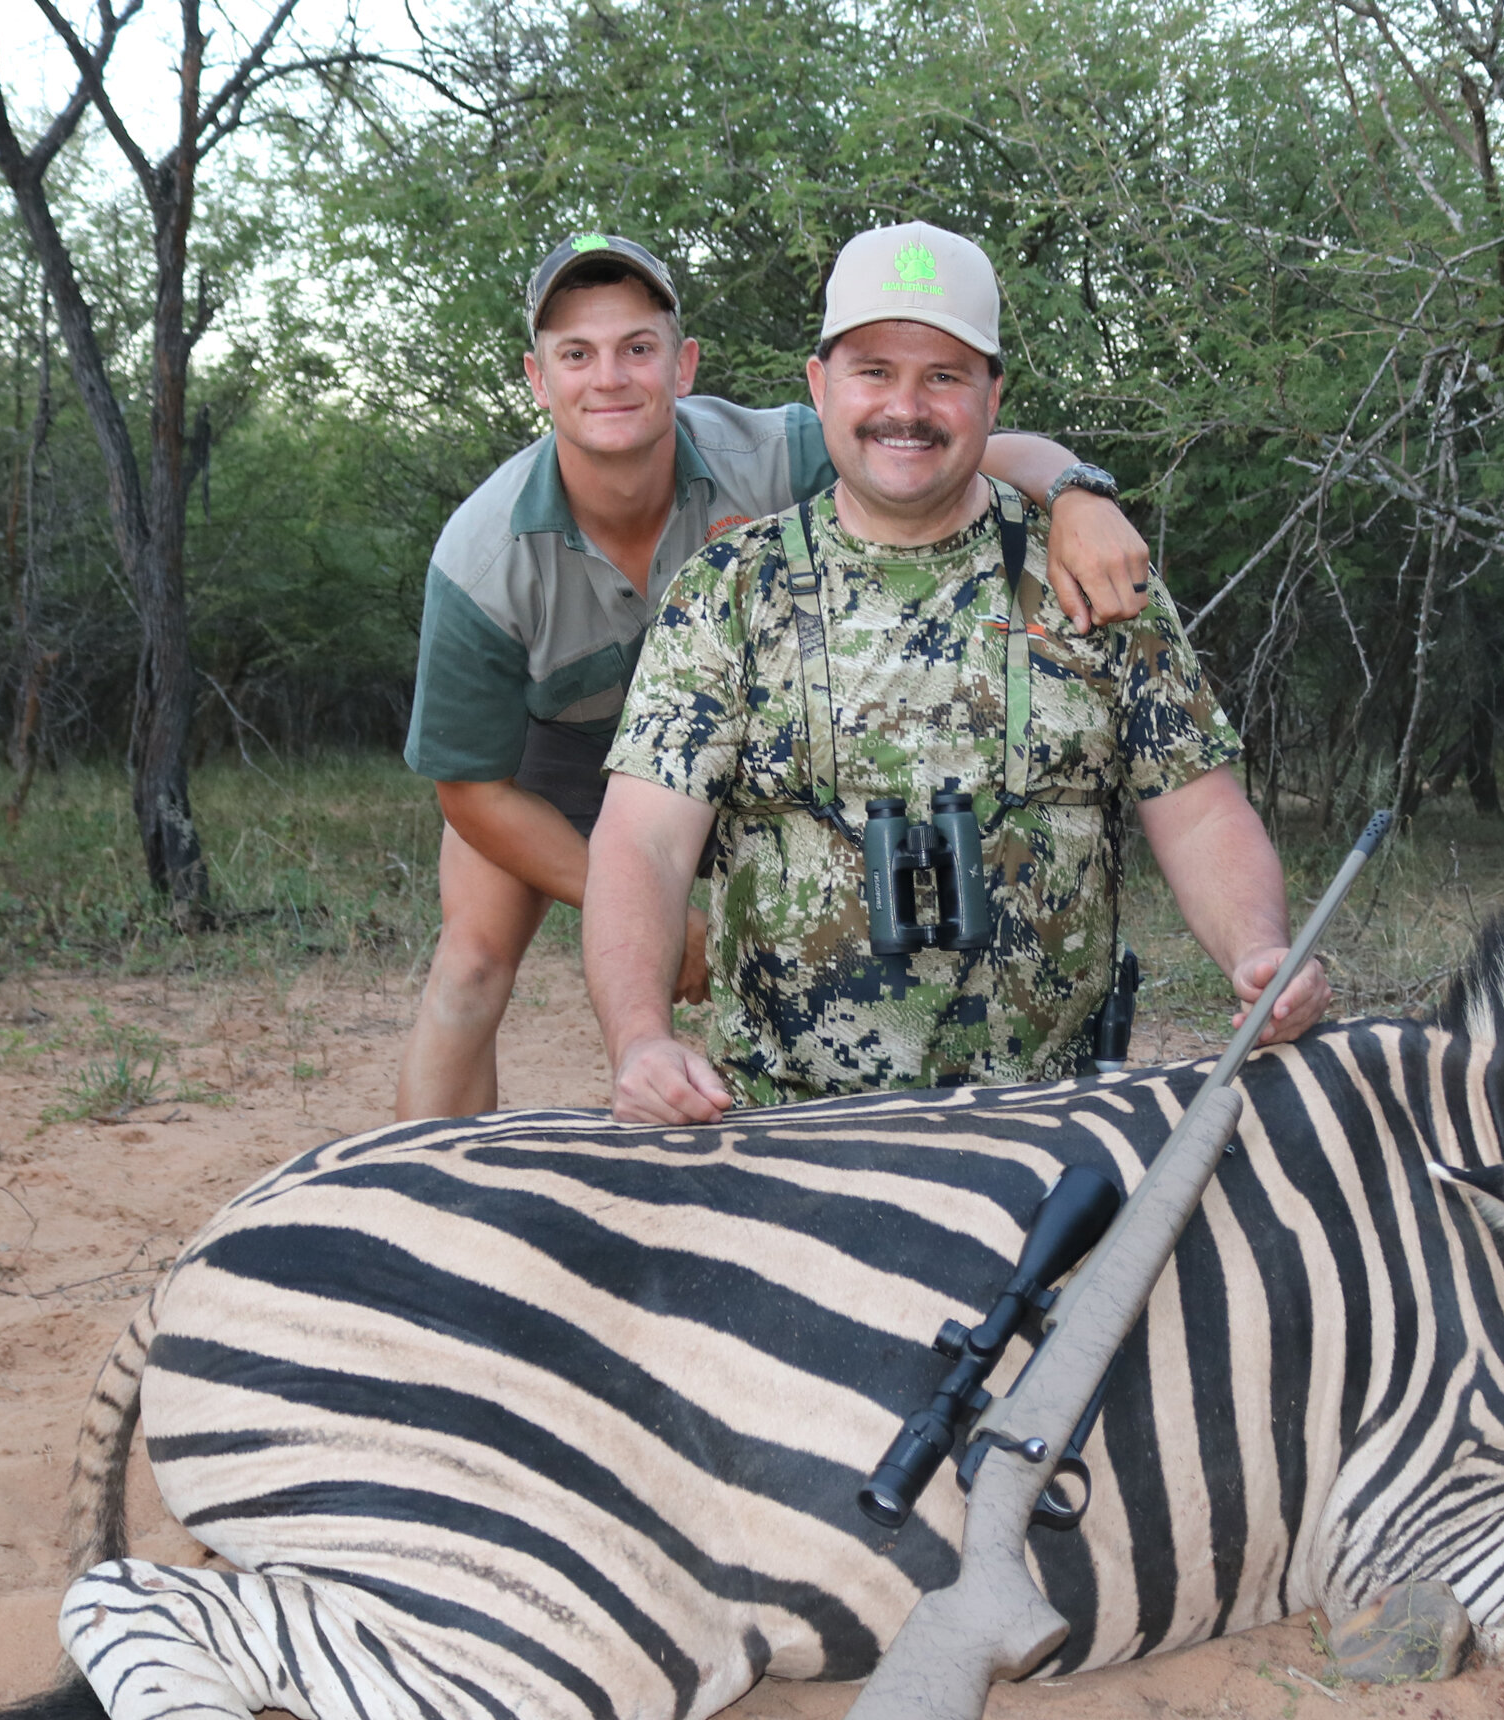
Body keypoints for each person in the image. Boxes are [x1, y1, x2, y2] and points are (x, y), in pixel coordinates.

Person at [394, 231, 1159, 1117]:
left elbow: (969, 443)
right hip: (550, 758)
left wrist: (1079, 494)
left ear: (683, 366)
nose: (609, 378)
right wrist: (675, 924)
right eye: (577, 355)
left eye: (636, 349)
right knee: (471, 966)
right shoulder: (481, 558)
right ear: (538, 379)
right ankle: (432, 1196)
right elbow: (471, 793)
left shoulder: (777, 450)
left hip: (734, 735)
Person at [586, 221, 1330, 1125]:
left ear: (992, 394)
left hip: (1052, 1132)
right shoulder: (730, 590)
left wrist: (1261, 953)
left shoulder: (1090, 579)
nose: (908, 407)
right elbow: (643, 843)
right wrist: (640, 1037)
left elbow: (1203, 810)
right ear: (820, 388)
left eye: (943, 376)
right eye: (874, 372)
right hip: (778, 1134)